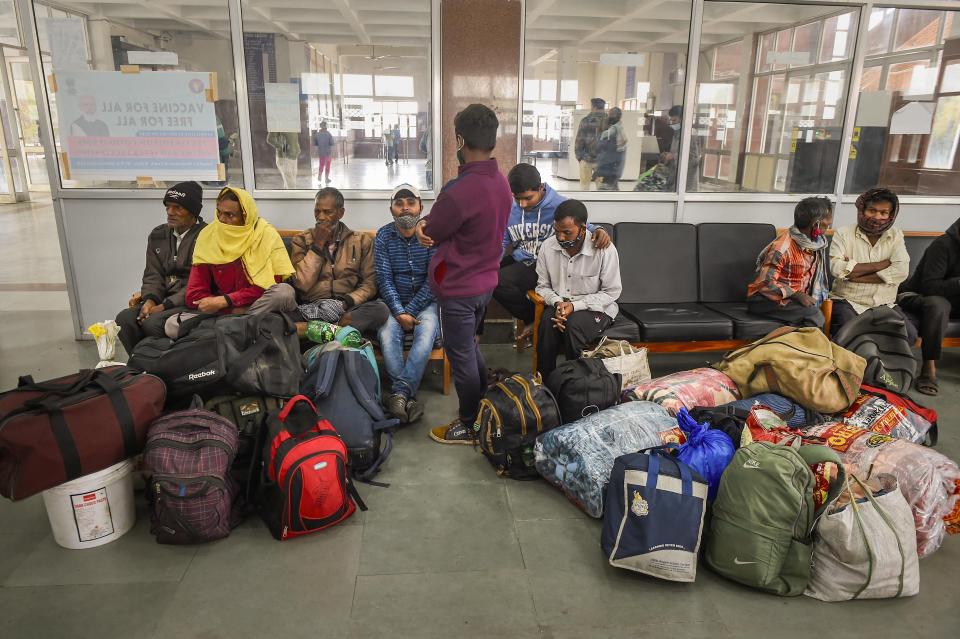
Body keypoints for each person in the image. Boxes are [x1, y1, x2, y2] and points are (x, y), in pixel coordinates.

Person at [414, 103, 512, 444]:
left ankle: (469, 423)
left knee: (461, 355)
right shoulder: (501, 183)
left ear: (459, 139)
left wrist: (422, 228)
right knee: (469, 347)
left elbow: (433, 229)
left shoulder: (458, 192)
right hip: (485, 283)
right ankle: (482, 408)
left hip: (459, 287)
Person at [496, 163, 611, 344]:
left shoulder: (559, 205)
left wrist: (599, 229)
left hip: (548, 264)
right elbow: (501, 242)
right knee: (485, 277)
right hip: (522, 259)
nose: (522, 204)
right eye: (517, 198)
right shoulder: (511, 209)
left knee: (499, 279)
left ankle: (533, 320)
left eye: (527, 198)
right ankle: (532, 319)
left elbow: (582, 226)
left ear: (541, 188)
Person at [163, 187, 297, 337]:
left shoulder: (265, 235)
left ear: (245, 216)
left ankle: (230, 330)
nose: (221, 219)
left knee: (284, 292)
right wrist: (230, 308)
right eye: (219, 212)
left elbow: (270, 285)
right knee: (172, 325)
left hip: (258, 305)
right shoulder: (209, 236)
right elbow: (194, 294)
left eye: (229, 215)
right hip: (228, 311)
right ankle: (243, 328)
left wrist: (226, 300)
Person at [116, 182, 207, 355]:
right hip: (162, 298)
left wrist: (164, 306)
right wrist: (150, 300)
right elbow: (153, 274)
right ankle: (142, 363)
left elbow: (199, 284)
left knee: (153, 323)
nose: (170, 212)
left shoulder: (207, 236)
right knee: (125, 319)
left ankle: (166, 368)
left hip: (191, 302)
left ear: (193, 211)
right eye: (168, 207)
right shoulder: (158, 235)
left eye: (178, 207)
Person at [535, 199, 623, 379]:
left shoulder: (604, 250)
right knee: (547, 322)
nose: (560, 237)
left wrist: (575, 306)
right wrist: (558, 303)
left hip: (596, 309)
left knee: (573, 325)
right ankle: (545, 384)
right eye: (557, 231)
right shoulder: (548, 247)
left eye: (567, 232)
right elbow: (542, 286)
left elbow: (611, 292)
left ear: (583, 228)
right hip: (560, 304)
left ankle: (576, 383)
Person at [375, 184, 438, 424]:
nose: (405, 209)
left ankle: (398, 393)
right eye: (399, 204)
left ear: (421, 207)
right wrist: (399, 312)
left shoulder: (433, 236)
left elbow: (434, 281)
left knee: (426, 335)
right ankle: (406, 399)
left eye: (410, 203)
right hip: (393, 303)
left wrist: (409, 312)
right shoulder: (383, 236)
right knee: (388, 335)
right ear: (391, 209)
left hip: (426, 303)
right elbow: (384, 279)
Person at [289, 187, 389, 334]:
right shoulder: (301, 240)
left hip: (346, 307)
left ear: (341, 213)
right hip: (312, 306)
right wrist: (317, 246)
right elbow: (301, 284)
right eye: (317, 211)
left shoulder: (361, 241)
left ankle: (314, 331)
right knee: (276, 319)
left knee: (381, 309)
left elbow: (370, 283)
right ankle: (339, 332)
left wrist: (345, 303)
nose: (321, 217)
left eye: (327, 212)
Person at [829, 188, 916, 344]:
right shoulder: (843, 234)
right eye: (872, 211)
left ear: (891, 215)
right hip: (847, 301)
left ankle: (884, 367)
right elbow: (836, 268)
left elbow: (901, 271)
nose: (877, 217)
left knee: (909, 335)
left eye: (883, 213)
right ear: (862, 210)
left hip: (885, 304)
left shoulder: (896, 235)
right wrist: (882, 265)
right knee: (849, 335)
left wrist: (854, 275)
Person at [897, 217, 960, 395]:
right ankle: (928, 367)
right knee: (938, 305)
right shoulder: (942, 245)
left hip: (953, 300)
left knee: (942, 304)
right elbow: (930, 286)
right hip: (918, 294)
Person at [746, 197, 831, 328]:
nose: (830, 222)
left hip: (790, 299)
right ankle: (807, 347)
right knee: (813, 315)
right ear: (816, 224)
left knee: (812, 314)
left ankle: (793, 345)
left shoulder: (816, 245)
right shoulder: (782, 248)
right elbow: (764, 284)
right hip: (765, 299)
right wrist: (796, 295)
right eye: (827, 218)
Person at [664, 105, 701, 191]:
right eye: (671, 120)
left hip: (687, 179)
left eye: (674, 120)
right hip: (676, 175)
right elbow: (674, 150)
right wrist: (668, 156)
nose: (672, 123)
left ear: (682, 119)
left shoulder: (691, 134)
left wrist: (674, 156)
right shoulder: (677, 133)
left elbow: (694, 158)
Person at [574, 98, 606, 190]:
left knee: (584, 187)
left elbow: (579, 140)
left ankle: (584, 204)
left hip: (586, 158)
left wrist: (580, 157)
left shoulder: (585, 121)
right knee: (603, 189)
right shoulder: (610, 121)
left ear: (594, 107)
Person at [595, 107, 627, 191]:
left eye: (611, 114)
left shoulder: (612, 132)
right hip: (614, 171)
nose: (608, 116)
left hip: (610, 171)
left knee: (605, 192)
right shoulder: (620, 130)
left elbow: (601, 149)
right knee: (614, 191)